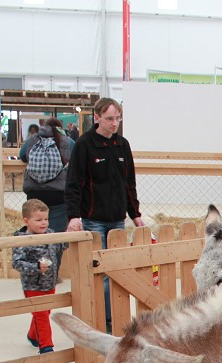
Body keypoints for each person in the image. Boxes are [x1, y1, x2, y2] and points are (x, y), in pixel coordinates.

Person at [64, 97, 145, 332]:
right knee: (100, 274)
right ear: (96, 117)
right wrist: (74, 216)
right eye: (110, 119)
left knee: (117, 271)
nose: (114, 123)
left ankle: (113, 319)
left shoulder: (123, 145)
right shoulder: (84, 144)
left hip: (117, 220)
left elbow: (129, 183)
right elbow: (74, 183)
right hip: (93, 220)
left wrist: (135, 214)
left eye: (118, 118)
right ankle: (105, 322)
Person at [12, 199, 67, 354]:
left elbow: (63, 244)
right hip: (33, 285)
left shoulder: (51, 234)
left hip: (50, 283)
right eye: (39, 220)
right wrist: (36, 267)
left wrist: (71, 236)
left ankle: (32, 335)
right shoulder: (21, 240)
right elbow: (17, 263)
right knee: (42, 314)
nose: (44, 223)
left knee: (44, 311)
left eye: (46, 219)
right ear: (26, 221)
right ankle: (46, 346)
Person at [20, 118, 75, 232]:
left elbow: (22, 155)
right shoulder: (67, 141)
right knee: (56, 237)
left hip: (34, 193)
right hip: (57, 195)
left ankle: (35, 250)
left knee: (36, 234)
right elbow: (76, 156)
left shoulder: (33, 139)